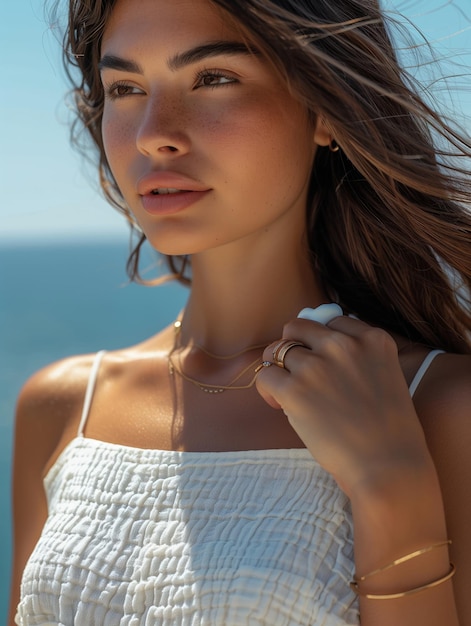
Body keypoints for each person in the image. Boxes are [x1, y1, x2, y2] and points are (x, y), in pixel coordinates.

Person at [9, 0, 471, 624]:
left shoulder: (436, 407)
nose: (153, 131)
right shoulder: (62, 406)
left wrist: (389, 485)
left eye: (214, 78)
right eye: (124, 87)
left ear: (326, 110)